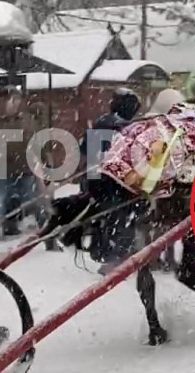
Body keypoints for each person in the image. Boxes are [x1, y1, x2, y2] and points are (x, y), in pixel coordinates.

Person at [78, 88, 142, 270]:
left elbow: (86, 152)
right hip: (116, 181)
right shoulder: (126, 127)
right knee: (121, 218)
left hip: (97, 179)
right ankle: (113, 259)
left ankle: (102, 251)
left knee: (104, 216)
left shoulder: (100, 122)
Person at [0, 86, 53, 247]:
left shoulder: (28, 120)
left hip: (25, 171)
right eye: (8, 100)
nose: (11, 104)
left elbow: (39, 142)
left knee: (35, 203)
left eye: (15, 100)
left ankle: (49, 235)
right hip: (1, 171)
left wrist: (46, 163)